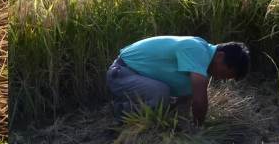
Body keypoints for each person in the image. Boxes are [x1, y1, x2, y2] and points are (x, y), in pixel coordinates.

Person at [107, 36, 250, 125]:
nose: (220, 78)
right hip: (122, 73)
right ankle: (120, 110)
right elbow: (199, 102)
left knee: (171, 108)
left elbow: (189, 101)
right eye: (224, 74)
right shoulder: (197, 50)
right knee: (160, 93)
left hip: (137, 79)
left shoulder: (199, 67)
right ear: (220, 56)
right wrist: (198, 129)